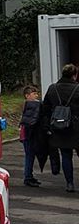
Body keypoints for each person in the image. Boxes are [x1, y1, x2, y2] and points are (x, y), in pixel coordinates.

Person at [42, 63, 79, 192]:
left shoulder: (53, 88)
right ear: (74, 75)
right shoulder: (78, 89)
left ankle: (69, 183)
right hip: (76, 127)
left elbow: (45, 108)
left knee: (66, 156)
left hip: (59, 127)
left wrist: (47, 126)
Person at [19, 85, 42, 187]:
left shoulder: (29, 105)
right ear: (27, 95)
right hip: (27, 135)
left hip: (27, 134)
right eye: (34, 94)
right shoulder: (30, 105)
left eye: (37, 94)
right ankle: (28, 177)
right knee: (29, 156)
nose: (36, 96)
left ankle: (29, 176)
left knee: (31, 155)